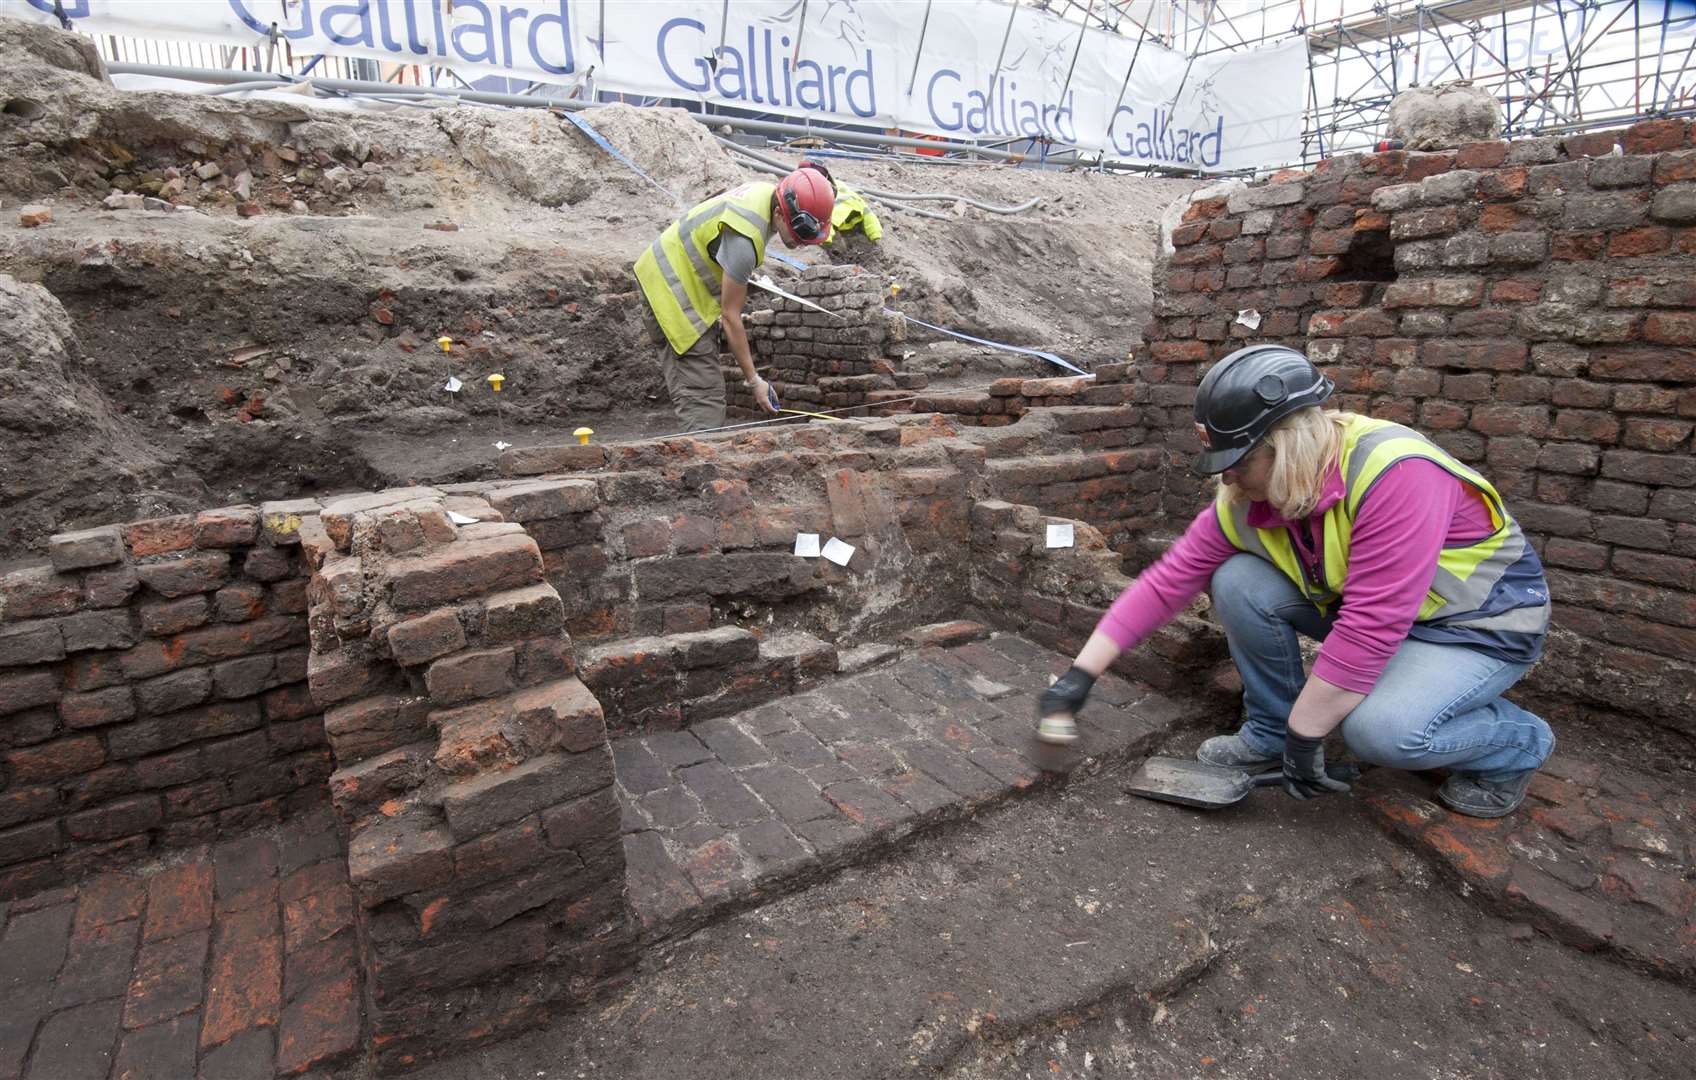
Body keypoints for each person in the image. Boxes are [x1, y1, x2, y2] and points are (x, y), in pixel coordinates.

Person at [1036, 344, 1556, 819]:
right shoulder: (1250, 495)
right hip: (1387, 620)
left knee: (1381, 733)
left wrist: (1307, 739)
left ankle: (1519, 744)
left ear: (1282, 447)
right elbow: (1167, 582)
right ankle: (1268, 731)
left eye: (1236, 462)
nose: (1226, 478)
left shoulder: (1397, 473)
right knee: (1238, 578)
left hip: (1474, 627)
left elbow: (1370, 628)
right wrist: (1081, 675)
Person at [633, 164, 835, 432]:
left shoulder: (765, 193)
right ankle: (699, 467)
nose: (801, 244)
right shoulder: (744, 241)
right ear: (778, 213)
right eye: (799, 235)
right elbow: (731, 317)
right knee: (704, 405)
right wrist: (754, 381)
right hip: (671, 294)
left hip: (664, 275)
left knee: (705, 395)